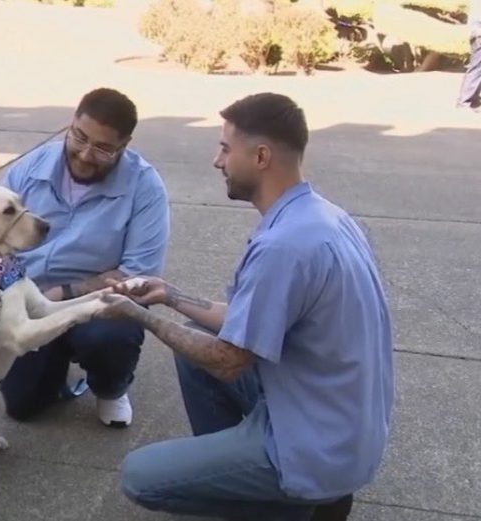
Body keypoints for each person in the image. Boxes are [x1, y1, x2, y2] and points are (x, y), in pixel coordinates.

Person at [110, 92, 394, 521]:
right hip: (345, 426)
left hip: (317, 445)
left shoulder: (284, 247)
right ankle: (266, 480)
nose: (216, 161)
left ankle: (287, 499)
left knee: (138, 475)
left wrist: (139, 316)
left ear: (260, 156)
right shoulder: (321, 216)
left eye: (225, 148)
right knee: (196, 344)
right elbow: (245, 323)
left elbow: (228, 361)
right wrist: (168, 294)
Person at [0, 87, 170, 427]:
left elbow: (139, 274)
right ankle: (55, 366)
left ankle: (111, 387)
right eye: (79, 137)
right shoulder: (30, 167)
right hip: (28, 300)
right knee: (20, 406)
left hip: (94, 306)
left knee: (110, 337)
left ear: (125, 144)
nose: (86, 155)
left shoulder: (146, 187)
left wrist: (65, 293)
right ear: (71, 123)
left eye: (104, 148)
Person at [456, 0, 481, 110]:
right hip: (479, 35)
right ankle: (464, 101)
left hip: (477, 34)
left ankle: (473, 99)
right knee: (476, 69)